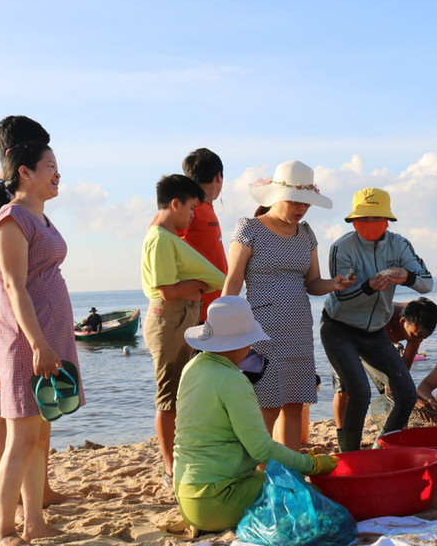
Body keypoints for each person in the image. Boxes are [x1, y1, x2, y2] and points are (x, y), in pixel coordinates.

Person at [0, 141, 84, 544]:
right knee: (21, 439)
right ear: (25, 172)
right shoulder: (11, 218)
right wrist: (38, 343)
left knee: (39, 436)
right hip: (26, 340)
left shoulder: (40, 216)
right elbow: (14, 287)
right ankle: (5, 530)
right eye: (51, 166)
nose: (58, 173)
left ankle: (34, 522)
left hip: (49, 335)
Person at [173, 296, 338, 534]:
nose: (252, 349)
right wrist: (311, 465)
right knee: (312, 495)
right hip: (216, 499)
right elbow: (261, 449)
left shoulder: (193, 366)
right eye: (249, 343)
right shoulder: (234, 381)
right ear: (239, 344)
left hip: (186, 496)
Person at [222, 160, 353, 452]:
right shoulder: (249, 228)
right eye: (296, 201)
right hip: (261, 330)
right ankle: (257, 472)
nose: (301, 209)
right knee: (265, 405)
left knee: (294, 403)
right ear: (275, 197)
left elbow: (313, 283)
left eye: (306, 204)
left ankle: (289, 473)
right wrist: (221, 327)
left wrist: (334, 284)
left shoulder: (305, 234)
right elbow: (233, 281)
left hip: (298, 330)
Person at [320, 187, 433, 452]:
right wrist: (369, 285)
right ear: (354, 221)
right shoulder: (341, 247)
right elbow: (343, 297)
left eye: (376, 219)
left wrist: (406, 277)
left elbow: (427, 283)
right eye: (364, 219)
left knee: (405, 395)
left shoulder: (399, 244)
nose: (370, 225)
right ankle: (350, 455)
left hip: (373, 332)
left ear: (387, 220)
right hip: (339, 327)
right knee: (358, 391)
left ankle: (381, 449)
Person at [142, 174, 227, 486]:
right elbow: (166, 289)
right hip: (170, 318)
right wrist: (201, 284)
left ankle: (180, 461)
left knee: (182, 393)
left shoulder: (168, 237)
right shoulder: (161, 238)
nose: (193, 215)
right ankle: (170, 469)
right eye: (191, 208)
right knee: (169, 398)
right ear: (175, 204)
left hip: (179, 317)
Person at [332, 297, 437, 428]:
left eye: (423, 337)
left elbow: (403, 370)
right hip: (343, 332)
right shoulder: (381, 319)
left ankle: (394, 430)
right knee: (344, 390)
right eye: (416, 336)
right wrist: (414, 400)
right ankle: (342, 435)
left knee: (396, 391)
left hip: (374, 341)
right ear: (402, 322)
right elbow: (378, 364)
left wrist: (413, 396)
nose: (419, 340)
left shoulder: (417, 326)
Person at [180, 148, 229, 322]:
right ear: (218, 176)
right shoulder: (192, 207)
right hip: (197, 311)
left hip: (213, 309)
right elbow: (160, 230)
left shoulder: (205, 207)